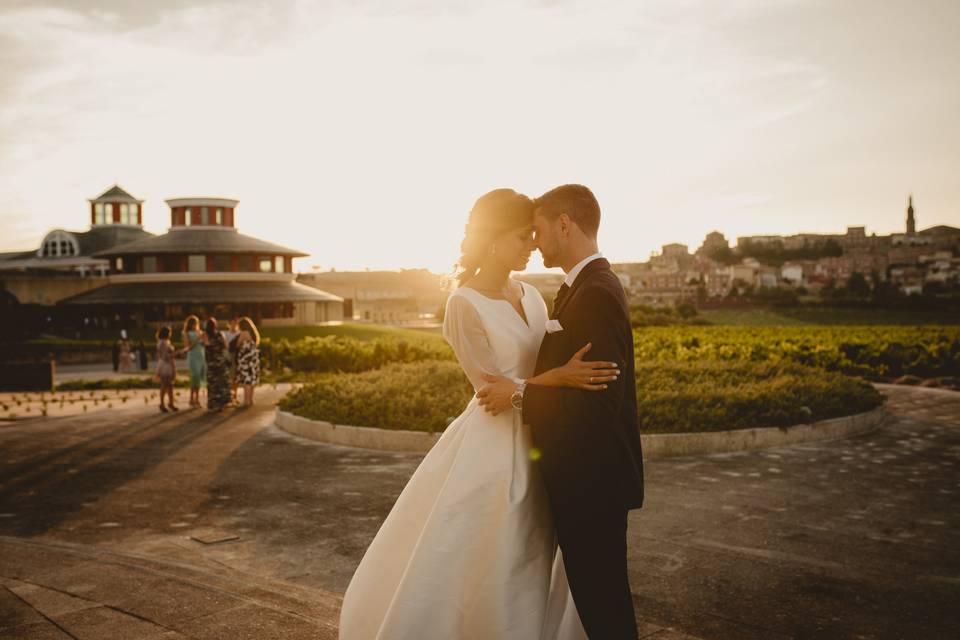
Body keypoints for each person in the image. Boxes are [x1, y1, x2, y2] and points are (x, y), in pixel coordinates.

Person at [339, 189, 620, 639]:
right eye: (521, 237)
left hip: (543, 438)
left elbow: (533, 372)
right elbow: (490, 391)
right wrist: (561, 378)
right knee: (498, 552)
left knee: (535, 552)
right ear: (492, 240)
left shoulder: (530, 295)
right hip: (494, 445)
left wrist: (553, 381)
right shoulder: (463, 304)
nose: (531, 244)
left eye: (533, 235)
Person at [477, 184, 645, 639]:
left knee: (603, 603)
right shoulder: (583, 287)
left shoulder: (596, 293)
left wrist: (520, 395)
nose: (535, 241)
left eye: (539, 230)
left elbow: (598, 403)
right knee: (599, 598)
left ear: (564, 225)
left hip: (592, 481)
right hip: (587, 478)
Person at [202, 317, 231, 412]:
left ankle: (213, 404)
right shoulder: (220, 334)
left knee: (212, 383)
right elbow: (226, 346)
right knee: (221, 382)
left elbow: (207, 345)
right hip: (220, 361)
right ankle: (222, 403)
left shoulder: (206, 335)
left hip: (211, 362)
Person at [235, 316, 260, 407]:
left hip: (246, 359)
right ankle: (250, 400)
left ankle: (246, 401)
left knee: (247, 381)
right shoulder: (253, 334)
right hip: (253, 359)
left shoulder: (244, 333)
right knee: (252, 379)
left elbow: (237, 344)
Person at [182, 315, 206, 408]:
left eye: (196, 323)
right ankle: (191, 398)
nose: (195, 325)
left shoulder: (199, 332)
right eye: (193, 323)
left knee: (199, 377)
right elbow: (188, 347)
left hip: (201, 356)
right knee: (194, 376)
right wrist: (198, 339)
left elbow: (204, 344)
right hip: (193, 356)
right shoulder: (186, 333)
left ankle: (197, 399)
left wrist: (203, 339)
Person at [155, 325, 178, 412]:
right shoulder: (163, 343)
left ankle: (170, 403)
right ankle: (162, 403)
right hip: (166, 365)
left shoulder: (164, 342)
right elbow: (165, 356)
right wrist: (175, 354)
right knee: (165, 385)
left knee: (170, 385)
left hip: (166, 364)